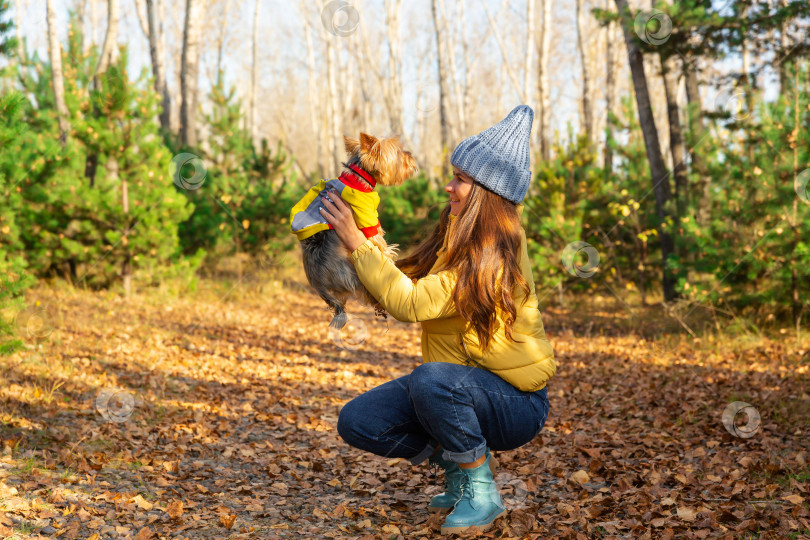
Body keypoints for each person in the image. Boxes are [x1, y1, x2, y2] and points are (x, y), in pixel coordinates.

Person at [319, 105, 555, 534]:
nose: (449, 186)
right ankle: (458, 466)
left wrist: (357, 242)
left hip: (515, 402)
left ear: (487, 192)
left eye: (460, 179)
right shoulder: (457, 228)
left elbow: (410, 303)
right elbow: (409, 276)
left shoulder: (492, 252)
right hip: (459, 385)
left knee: (430, 380)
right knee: (359, 420)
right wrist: (346, 265)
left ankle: (481, 491)